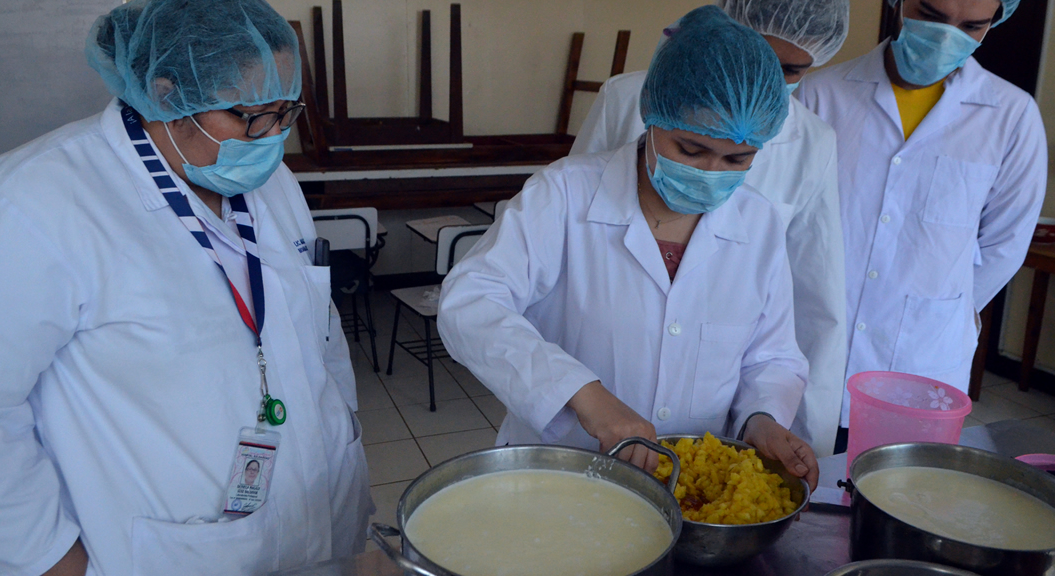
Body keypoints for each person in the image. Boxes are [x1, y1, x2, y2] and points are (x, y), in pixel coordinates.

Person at [0, 0, 371, 574]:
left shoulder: (271, 181)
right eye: (250, 116)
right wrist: (50, 560)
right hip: (164, 548)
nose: (274, 137)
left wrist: (347, 451)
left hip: (315, 521)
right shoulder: (30, 204)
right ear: (165, 95)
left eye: (287, 111)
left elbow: (318, 333)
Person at [438, 6, 819, 488]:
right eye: (691, 150)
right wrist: (584, 395)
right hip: (560, 474)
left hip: (693, 488)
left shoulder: (759, 222)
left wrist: (762, 420)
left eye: (738, 158)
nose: (712, 173)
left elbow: (772, 356)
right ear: (654, 117)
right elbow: (469, 303)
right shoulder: (564, 195)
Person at [572, 0, 851, 457]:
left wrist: (792, 425)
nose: (759, 75)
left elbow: (816, 298)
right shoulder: (628, 99)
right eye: (689, 148)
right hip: (594, 401)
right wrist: (574, 389)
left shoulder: (811, 145)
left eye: (789, 69)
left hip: (708, 423)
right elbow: (575, 213)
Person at [796, 0, 1045, 453]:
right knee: (794, 490)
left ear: (997, 20)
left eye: (973, 26)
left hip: (923, 361)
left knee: (896, 498)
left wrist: (945, 307)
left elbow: (1005, 244)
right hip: (809, 352)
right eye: (930, 15)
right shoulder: (820, 94)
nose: (948, 35)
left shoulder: (1011, 116)